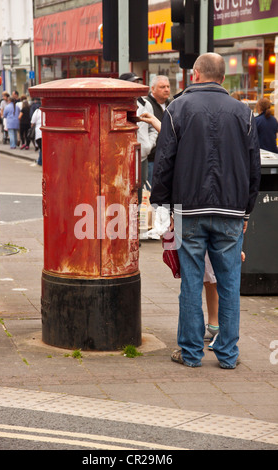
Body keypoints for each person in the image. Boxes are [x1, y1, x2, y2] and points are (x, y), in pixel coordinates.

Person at [150, 52, 261, 369]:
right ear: (223, 78)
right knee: (229, 285)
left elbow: (164, 162)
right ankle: (227, 355)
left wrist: (163, 205)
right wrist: (247, 212)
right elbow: (255, 170)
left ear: (194, 74)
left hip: (190, 210)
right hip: (230, 210)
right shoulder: (244, 112)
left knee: (191, 282)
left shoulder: (177, 108)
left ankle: (190, 353)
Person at [119, 72, 158, 204]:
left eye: (137, 82)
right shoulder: (119, 104)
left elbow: (153, 128)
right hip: (123, 156)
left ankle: (137, 221)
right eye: (132, 82)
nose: (136, 85)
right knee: (124, 190)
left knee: (140, 190)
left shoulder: (146, 104)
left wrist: (149, 144)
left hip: (142, 155)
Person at [145, 76, 171, 186]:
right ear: (153, 88)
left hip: (168, 158)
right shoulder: (146, 105)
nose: (166, 89)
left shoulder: (172, 104)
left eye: (168, 86)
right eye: (162, 87)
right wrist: (149, 146)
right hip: (152, 159)